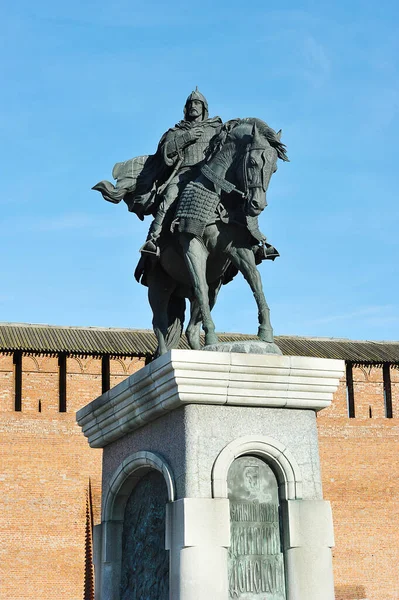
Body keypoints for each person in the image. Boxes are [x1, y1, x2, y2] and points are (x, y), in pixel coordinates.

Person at [140, 88, 222, 255]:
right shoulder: (176, 131)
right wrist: (187, 137)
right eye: (191, 103)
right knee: (168, 199)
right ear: (186, 108)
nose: (194, 106)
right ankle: (152, 240)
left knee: (239, 195)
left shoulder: (215, 129)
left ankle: (255, 240)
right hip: (183, 174)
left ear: (204, 107)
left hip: (209, 174)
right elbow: (165, 151)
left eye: (198, 103)